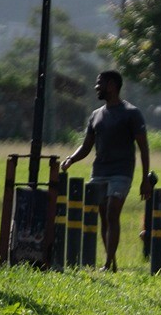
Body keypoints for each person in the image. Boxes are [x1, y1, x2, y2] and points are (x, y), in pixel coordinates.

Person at [59, 70, 151, 271]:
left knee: (112, 213)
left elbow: (144, 148)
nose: (96, 87)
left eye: (99, 83)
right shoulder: (96, 115)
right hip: (99, 172)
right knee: (103, 217)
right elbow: (86, 146)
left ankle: (107, 263)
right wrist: (71, 159)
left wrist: (145, 179)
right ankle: (112, 261)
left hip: (122, 172)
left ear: (112, 85)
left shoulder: (131, 113)